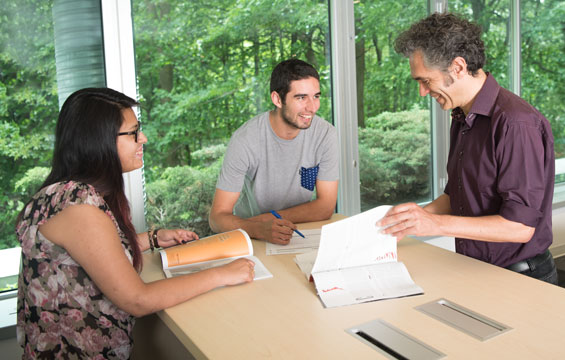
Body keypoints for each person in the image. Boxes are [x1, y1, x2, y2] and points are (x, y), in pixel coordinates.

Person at [15, 88, 255, 358]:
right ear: (99, 140)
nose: (143, 139)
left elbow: (85, 255)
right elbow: (137, 300)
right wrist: (222, 273)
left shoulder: (62, 193)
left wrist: (152, 238)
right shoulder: (78, 207)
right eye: (133, 132)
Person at [377, 13, 557, 284]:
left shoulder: (516, 123)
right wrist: (413, 217)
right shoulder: (462, 118)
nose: (423, 92)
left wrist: (434, 225)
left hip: (522, 279)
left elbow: (520, 226)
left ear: (458, 67)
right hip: (477, 271)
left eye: (426, 80)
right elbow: (458, 196)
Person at [209, 59, 339, 244]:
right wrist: (257, 228)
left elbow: (326, 207)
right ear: (277, 99)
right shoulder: (245, 140)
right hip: (253, 236)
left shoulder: (326, 134)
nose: (312, 107)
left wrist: (271, 219)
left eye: (316, 96)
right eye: (301, 98)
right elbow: (217, 217)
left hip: (302, 232)